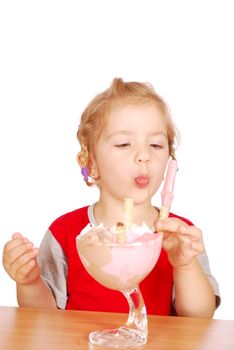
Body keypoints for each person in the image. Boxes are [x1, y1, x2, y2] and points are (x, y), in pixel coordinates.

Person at [2, 78, 220, 317]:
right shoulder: (65, 232)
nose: (143, 156)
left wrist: (185, 264)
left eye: (156, 145)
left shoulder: (180, 236)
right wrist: (30, 282)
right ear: (91, 163)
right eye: (124, 143)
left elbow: (199, 319)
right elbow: (43, 318)